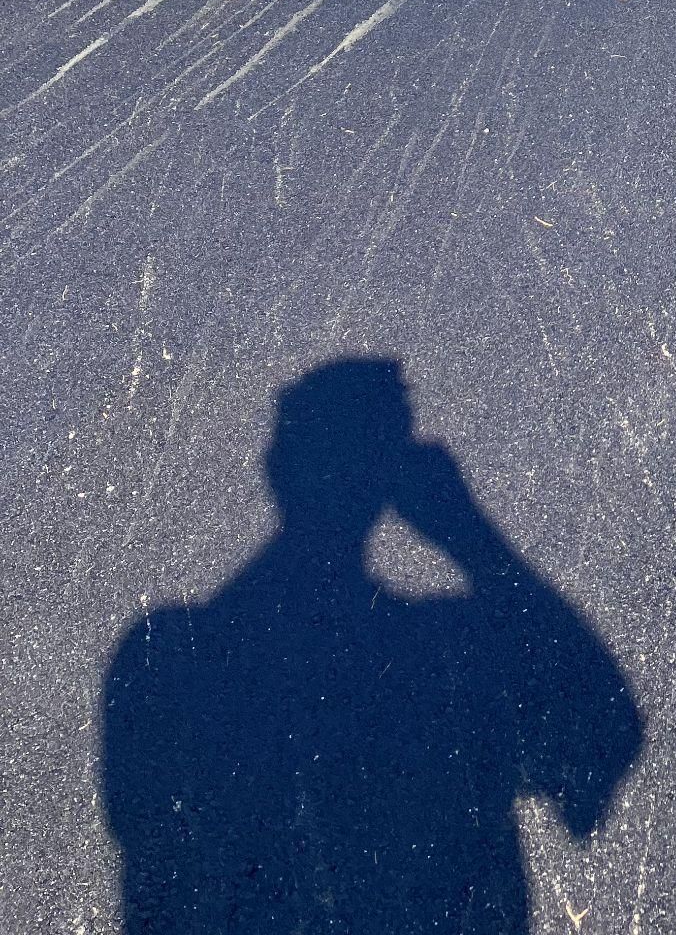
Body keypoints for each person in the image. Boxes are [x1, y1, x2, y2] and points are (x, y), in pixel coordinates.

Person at [101, 358, 643, 932]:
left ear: (276, 466)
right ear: (394, 483)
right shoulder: (445, 657)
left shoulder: (168, 661)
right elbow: (603, 730)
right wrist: (471, 536)